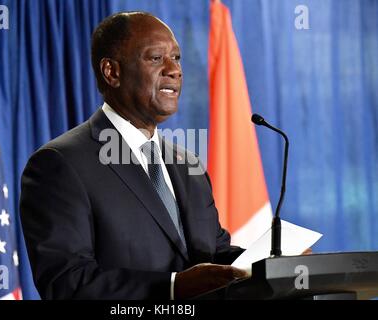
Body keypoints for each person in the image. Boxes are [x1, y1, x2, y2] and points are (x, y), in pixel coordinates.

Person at [20, 11, 248, 300]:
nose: (174, 70)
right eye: (156, 58)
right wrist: (174, 287)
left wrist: (271, 265)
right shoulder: (59, 164)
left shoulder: (187, 164)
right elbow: (68, 283)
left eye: (176, 58)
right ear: (112, 72)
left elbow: (214, 255)